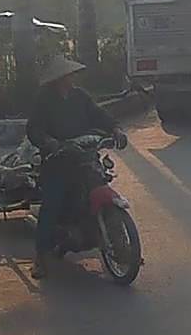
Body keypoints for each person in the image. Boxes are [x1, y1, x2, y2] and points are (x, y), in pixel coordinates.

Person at [26, 56, 126, 279]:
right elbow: (34, 129)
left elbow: (99, 115)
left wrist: (116, 128)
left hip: (85, 156)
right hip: (57, 160)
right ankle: (41, 257)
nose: (71, 78)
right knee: (51, 204)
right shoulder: (44, 100)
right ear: (58, 78)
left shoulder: (80, 96)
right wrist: (50, 142)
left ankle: (115, 241)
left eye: (71, 75)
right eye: (67, 76)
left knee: (101, 183)